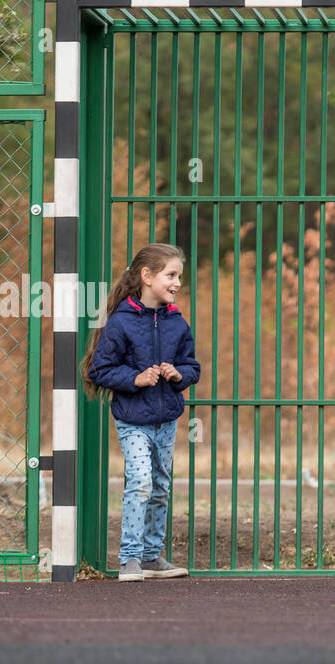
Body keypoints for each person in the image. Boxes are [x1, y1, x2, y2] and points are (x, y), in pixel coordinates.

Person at [82, 243, 200, 582]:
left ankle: (151, 556)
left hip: (166, 421)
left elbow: (192, 366)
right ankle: (129, 559)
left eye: (180, 276)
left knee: (161, 486)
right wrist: (135, 378)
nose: (177, 282)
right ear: (147, 277)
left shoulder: (178, 323)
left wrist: (179, 375)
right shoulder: (120, 322)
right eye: (171, 275)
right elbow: (99, 370)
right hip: (133, 420)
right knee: (141, 482)